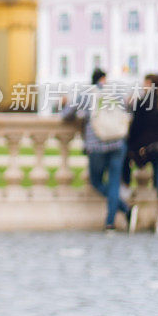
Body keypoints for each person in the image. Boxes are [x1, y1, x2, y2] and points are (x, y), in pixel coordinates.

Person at [62, 68, 138, 233]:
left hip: (96, 144)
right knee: (113, 184)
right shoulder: (116, 93)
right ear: (105, 78)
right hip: (117, 142)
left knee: (96, 181)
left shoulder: (87, 94)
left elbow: (66, 115)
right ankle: (111, 222)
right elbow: (129, 112)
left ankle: (123, 210)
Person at [126, 73, 158, 238]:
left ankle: (131, 210)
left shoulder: (142, 103)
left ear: (150, 84)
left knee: (148, 182)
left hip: (147, 150)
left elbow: (135, 129)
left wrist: (132, 149)